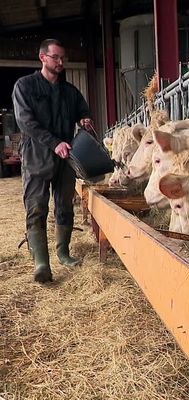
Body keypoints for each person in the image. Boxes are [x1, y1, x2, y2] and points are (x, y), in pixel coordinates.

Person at [12, 38, 94, 283]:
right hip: (37, 155)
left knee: (64, 205)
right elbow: (26, 122)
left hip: (65, 156)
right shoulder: (25, 86)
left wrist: (84, 119)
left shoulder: (69, 91)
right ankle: (41, 263)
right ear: (42, 58)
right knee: (36, 207)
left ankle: (63, 253)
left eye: (62, 58)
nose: (60, 62)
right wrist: (53, 142)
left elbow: (82, 109)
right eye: (55, 57)